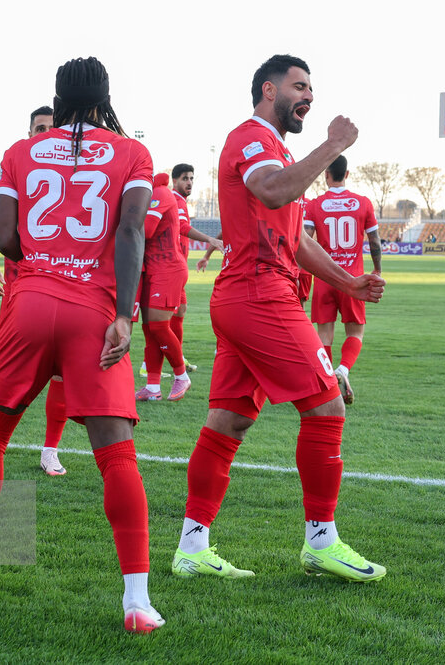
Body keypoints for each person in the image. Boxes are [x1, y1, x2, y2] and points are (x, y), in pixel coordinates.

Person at [0, 57, 165, 634]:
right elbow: (130, 230)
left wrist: (43, 267)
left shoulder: (21, 151)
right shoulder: (132, 153)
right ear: (104, 99)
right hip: (95, 311)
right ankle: (137, 602)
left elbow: (6, 234)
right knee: (116, 456)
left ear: (58, 98)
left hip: (30, 302)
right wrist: (123, 314)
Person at [171, 54, 387, 584]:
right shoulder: (251, 138)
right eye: (299, 86)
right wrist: (333, 145)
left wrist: (348, 282)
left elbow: (296, 239)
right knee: (328, 405)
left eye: (311, 88)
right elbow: (271, 190)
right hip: (259, 295)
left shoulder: (277, 151)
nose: (308, 95)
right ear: (269, 90)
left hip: (249, 295)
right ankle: (321, 541)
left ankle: (191, 548)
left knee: (229, 420)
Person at [0, 106, 68, 476]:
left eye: (51, 127)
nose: (45, 133)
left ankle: (50, 450)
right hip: (18, 294)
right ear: (29, 133)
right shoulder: (14, 170)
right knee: (4, 378)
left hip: (61, 291)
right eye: (39, 128)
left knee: (61, 373)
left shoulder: (74, 173)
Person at [305, 155, 382, 404]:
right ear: (347, 174)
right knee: (355, 333)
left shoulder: (315, 205)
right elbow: (374, 241)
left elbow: (304, 241)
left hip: (325, 278)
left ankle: (329, 384)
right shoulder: (363, 203)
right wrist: (377, 269)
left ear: (326, 175)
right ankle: (343, 370)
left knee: (324, 336)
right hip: (353, 280)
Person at [135, 173, 191, 402]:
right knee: (150, 331)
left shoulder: (159, 192)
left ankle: (182, 376)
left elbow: (147, 230)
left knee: (159, 326)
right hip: (151, 269)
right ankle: (152, 387)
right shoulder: (148, 194)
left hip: (168, 269)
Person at [170, 163, 223, 373]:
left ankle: (177, 357)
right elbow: (183, 227)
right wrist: (210, 239)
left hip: (178, 267)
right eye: (185, 178)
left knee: (179, 312)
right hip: (171, 267)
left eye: (192, 178)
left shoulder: (178, 201)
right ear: (174, 180)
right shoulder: (176, 201)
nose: (189, 182)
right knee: (161, 320)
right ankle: (152, 365)